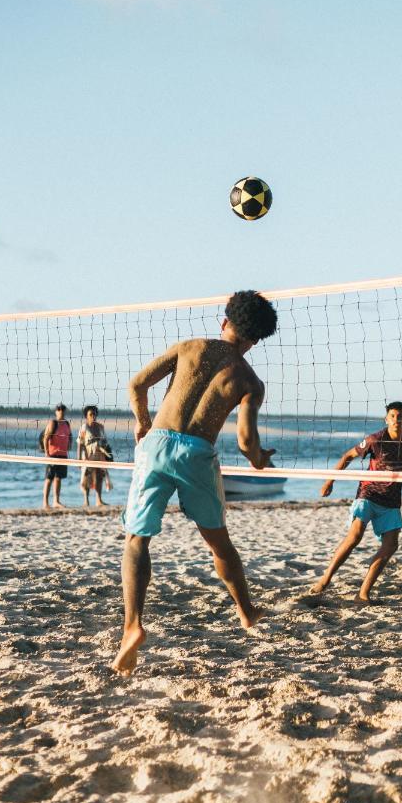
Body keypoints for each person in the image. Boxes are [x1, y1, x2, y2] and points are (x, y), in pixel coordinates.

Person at [111, 290, 278, 676]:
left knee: (137, 539)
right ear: (254, 340)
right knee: (218, 541)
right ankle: (246, 612)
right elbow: (246, 441)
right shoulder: (250, 380)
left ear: (225, 322)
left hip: (156, 445)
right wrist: (258, 461)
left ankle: (132, 626)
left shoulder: (190, 346)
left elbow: (137, 384)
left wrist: (142, 421)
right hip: (197, 455)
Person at [308, 402, 402, 604]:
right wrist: (329, 481)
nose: (396, 420)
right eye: (392, 416)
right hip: (368, 494)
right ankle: (325, 580)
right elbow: (347, 456)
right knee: (355, 537)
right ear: (386, 419)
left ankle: (362, 594)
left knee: (391, 546)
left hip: (392, 499)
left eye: (400, 416)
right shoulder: (375, 440)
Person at [77, 405, 112, 507]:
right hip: (87, 456)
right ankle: (86, 501)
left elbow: (105, 441)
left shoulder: (100, 427)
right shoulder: (84, 427)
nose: (93, 416)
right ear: (86, 416)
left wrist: (107, 454)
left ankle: (99, 500)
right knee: (86, 478)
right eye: (91, 414)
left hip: (99, 455)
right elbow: (80, 443)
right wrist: (79, 459)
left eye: (94, 414)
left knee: (99, 477)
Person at [42, 403, 72, 509]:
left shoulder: (66, 424)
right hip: (53, 455)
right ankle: (45, 502)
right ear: (56, 411)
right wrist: (47, 453)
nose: (61, 411)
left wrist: (69, 445)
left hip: (63, 455)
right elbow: (45, 438)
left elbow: (70, 435)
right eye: (59, 409)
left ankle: (56, 501)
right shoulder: (53, 423)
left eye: (63, 409)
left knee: (59, 478)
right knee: (49, 478)